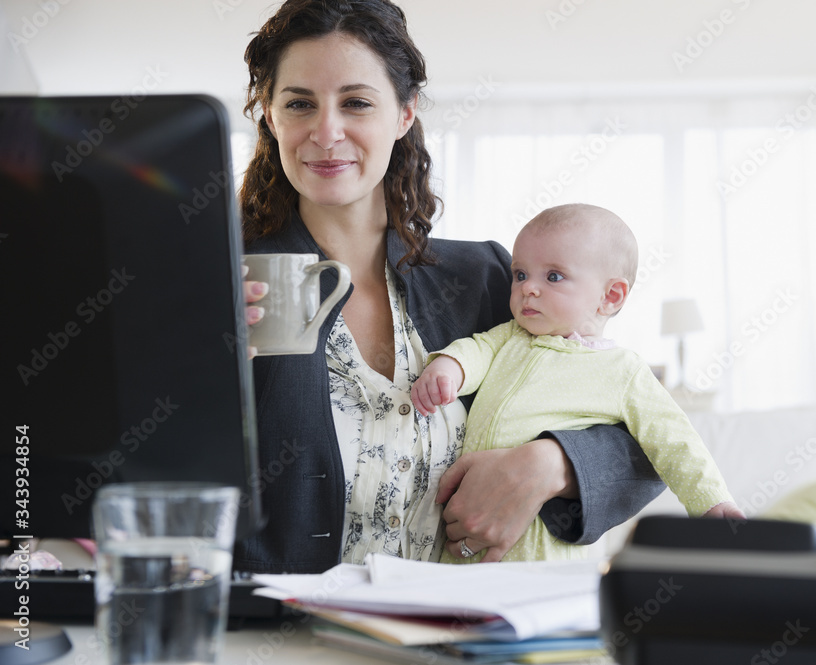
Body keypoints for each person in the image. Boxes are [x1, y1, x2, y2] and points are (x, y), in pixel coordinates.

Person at [236, 0, 666, 573]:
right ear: (270, 116)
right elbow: (141, 471)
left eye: (357, 102)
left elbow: (648, 439)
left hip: (463, 621)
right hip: (278, 624)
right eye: (299, 104)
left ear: (404, 114)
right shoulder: (232, 285)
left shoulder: (488, 279)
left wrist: (548, 466)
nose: (327, 131)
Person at [411, 204, 746, 563]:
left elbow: (673, 437)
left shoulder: (623, 370)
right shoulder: (509, 336)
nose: (528, 289)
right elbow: (476, 351)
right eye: (520, 274)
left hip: (545, 546)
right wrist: (449, 368)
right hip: (466, 531)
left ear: (610, 296)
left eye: (553, 277)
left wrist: (711, 502)